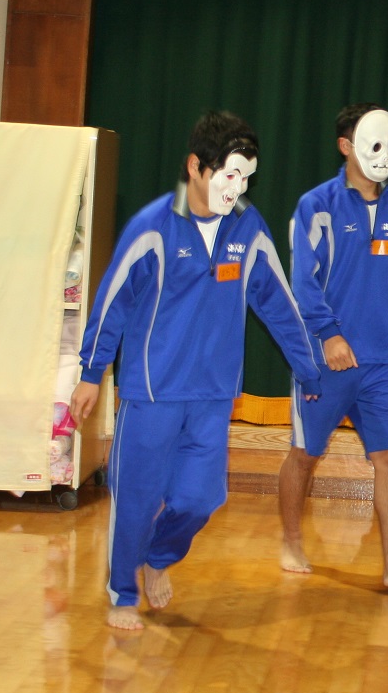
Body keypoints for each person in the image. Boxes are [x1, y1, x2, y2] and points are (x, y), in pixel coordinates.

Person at [70, 110, 322, 631]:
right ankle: (122, 592)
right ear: (195, 166)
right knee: (136, 497)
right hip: (152, 391)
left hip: (212, 394)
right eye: (229, 174)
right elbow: (113, 301)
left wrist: (308, 367)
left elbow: (278, 301)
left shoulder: (248, 227)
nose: (238, 187)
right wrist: (91, 372)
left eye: (246, 177)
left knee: (202, 498)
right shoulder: (154, 226)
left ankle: (157, 558)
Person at [278, 103, 388, 588]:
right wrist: (329, 334)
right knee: (305, 453)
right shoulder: (316, 206)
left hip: (383, 362)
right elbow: (302, 280)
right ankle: (291, 541)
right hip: (326, 362)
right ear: (347, 146)